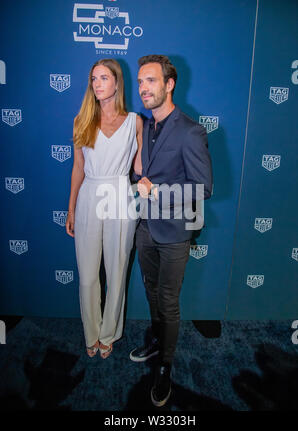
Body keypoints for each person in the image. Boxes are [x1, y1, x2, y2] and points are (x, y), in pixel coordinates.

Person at [129, 55, 212, 406]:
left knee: (168, 301)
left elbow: (203, 188)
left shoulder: (191, 131)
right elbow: (139, 174)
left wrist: (157, 191)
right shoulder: (145, 126)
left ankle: (165, 366)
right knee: (150, 291)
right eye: (140, 82)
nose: (144, 88)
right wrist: (138, 180)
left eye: (151, 80)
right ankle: (156, 341)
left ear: (169, 84)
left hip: (175, 232)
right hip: (144, 227)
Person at [66, 59, 143, 359]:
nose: (97, 84)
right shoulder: (80, 120)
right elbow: (78, 168)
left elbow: (140, 167)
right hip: (89, 196)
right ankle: (91, 332)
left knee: (117, 269)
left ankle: (109, 333)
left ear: (117, 83)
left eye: (104, 78)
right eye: (93, 79)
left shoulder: (134, 121)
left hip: (121, 195)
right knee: (87, 275)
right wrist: (71, 208)